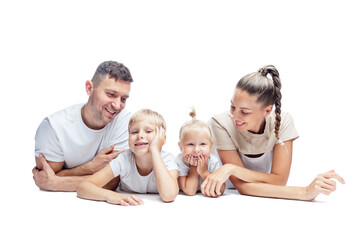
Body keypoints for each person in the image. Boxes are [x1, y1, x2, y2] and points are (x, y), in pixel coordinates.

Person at [201, 65, 345, 200]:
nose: (235, 116)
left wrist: (231, 169)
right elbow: (241, 185)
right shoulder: (221, 123)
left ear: (268, 110)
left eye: (244, 112)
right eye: (233, 107)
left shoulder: (282, 121)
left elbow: (279, 180)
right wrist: (304, 192)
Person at [33, 61, 133, 192]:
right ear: (89, 88)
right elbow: (44, 176)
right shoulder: (54, 127)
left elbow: (113, 181)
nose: (117, 105)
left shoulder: (125, 121)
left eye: (123, 99)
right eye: (111, 94)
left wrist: (56, 183)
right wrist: (89, 167)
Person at [77, 109, 179, 205]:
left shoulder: (167, 160)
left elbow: (169, 196)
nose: (140, 136)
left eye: (148, 131)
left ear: (162, 139)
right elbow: (83, 187)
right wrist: (110, 195)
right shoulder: (124, 159)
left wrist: (155, 151)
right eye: (134, 132)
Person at [175, 109, 225, 196]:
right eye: (190, 144)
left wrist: (204, 172)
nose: (196, 150)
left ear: (210, 146)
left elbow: (220, 189)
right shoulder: (180, 161)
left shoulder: (212, 160)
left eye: (202, 144)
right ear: (180, 146)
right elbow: (190, 191)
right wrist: (194, 167)